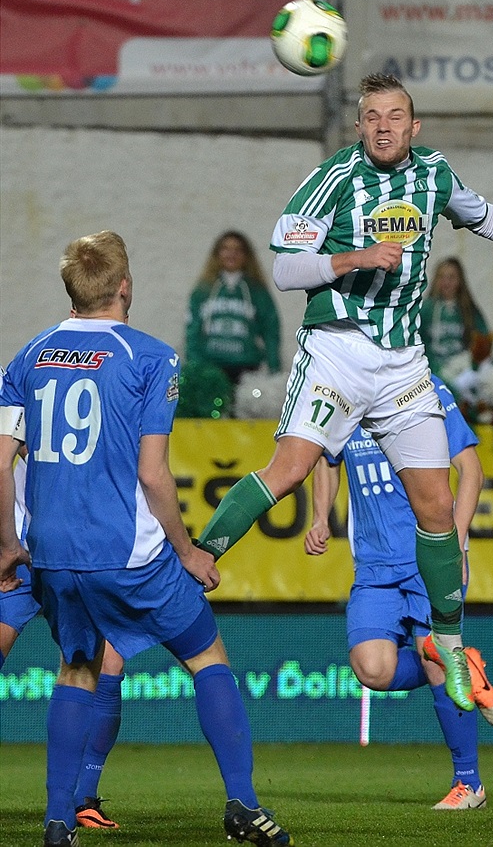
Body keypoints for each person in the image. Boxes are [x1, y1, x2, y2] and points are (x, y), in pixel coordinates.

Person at [195, 72, 493, 713]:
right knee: (289, 469)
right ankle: (200, 557)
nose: (384, 126)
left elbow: (487, 219)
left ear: (413, 127)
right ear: (359, 125)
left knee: (438, 510)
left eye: (396, 116)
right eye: (372, 116)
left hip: (402, 364)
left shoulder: (435, 175)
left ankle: (449, 646)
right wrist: (353, 258)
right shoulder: (332, 179)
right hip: (337, 350)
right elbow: (283, 267)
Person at [0, 231, 293, 847]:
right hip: (130, 555)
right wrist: (187, 551)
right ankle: (242, 805)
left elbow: (1, 462)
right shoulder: (151, 358)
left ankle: (58, 821)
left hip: (53, 556)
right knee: (206, 657)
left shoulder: (26, 358)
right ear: (124, 286)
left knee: (76, 671)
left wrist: (8, 543)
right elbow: (152, 473)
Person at [305, 373, 493, 810]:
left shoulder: (425, 387)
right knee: (372, 669)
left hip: (427, 558)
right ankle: (461, 665)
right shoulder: (342, 392)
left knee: (435, 665)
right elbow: (326, 458)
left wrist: (457, 542)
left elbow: (470, 468)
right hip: (374, 568)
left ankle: (469, 783)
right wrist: (321, 517)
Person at [0, 406, 123, 831]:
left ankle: (82, 798)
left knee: (108, 664)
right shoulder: (17, 386)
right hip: (17, 558)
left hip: (72, 555)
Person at [182, 229, 282, 416]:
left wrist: (273, 367)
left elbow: (271, 329)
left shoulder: (257, 291)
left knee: (244, 417)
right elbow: (192, 331)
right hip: (210, 369)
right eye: (225, 249)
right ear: (217, 254)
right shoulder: (203, 291)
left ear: (246, 256)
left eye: (237, 250)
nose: (231, 254)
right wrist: (196, 367)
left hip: (247, 369)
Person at [422, 257, 493, 450]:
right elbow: (419, 344)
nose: (447, 282)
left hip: (466, 363)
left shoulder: (468, 309)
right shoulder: (426, 309)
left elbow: (483, 339)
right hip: (438, 366)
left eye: (452, 277)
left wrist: (475, 367)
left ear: (460, 281)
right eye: (442, 277)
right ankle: (464, 431)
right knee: (451, 391)